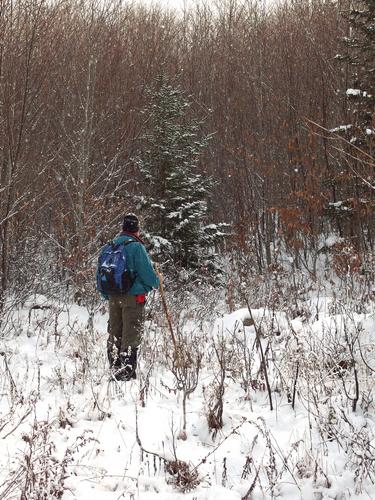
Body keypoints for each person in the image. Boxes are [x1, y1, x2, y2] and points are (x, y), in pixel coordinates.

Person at [99, 213, 160, 381]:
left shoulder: (110, 246)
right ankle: (126, 374)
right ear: (137, 229)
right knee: (131, 333)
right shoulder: (136, 247)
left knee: (115, 332)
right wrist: (153, 284)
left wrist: (107, 295)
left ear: (123, 228)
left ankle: (114, 366)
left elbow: (101, 273)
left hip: (113, 297)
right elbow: (147, 273)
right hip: (133, 298)